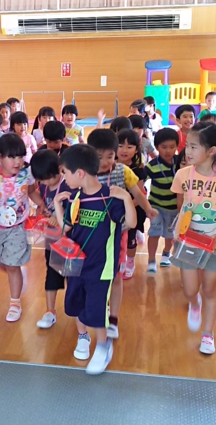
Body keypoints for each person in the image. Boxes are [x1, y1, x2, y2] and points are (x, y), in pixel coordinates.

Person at [53, 144, 135, 375]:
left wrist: (127, 199)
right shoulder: (76, 197)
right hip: (75, 264)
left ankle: (102, 346)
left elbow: (132, 222)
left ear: (79, 173)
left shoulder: (110, 197)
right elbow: (66, 227)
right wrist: (59, 205)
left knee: (97, 309)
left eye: (65, 173)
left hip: (101, 267)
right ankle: (82, 337)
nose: (63, 178)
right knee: (77, 303)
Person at [171, 122, 216, 355]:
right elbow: (180, 206)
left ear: (212, 151)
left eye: (193, 147)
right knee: (191, 290)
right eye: (187, 146)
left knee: (210, 290)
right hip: (188, 243)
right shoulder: (183, 174)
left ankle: (208, 334)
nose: (187, 151)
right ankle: (194, 304)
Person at [88, 129, 157, 340]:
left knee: (116, 276)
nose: (106, 161)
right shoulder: (83, 172)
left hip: (118, 233)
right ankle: (93, 312)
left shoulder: (123, 172)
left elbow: (138, 193)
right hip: (90, 234)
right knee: (93, 277)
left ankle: (114, 319)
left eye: (110, 156)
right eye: (99, 157)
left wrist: (148, 209)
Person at [0, 134, 43, 322]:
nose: (17, 161)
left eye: (20, 156)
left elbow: (32, 192)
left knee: (12, 264)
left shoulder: (27, 173)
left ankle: (15, 302)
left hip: (18, 226)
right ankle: (15, 270)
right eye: (12, 157)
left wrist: (42, 206)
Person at [30, 149, 72, 329]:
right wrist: (44, 208)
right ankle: (50, 311)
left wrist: (60, 217)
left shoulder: (69, 186)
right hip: (52, 240)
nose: (45, 182)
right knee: (51, 274)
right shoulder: (45, 186)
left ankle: (77, 307)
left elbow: (73, 213)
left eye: (48, 177)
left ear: (60, 169)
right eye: (42, 179)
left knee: (73, 277)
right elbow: (35, 194)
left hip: (71, 241)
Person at [143, 128, 180, 274]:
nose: (168, 151)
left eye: (172, 147)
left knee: (170, 235)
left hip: (175, 208)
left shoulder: (180, 163)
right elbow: (140, 184)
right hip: (156, 207)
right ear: (157, 147)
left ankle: (166, 253)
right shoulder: (151, 166)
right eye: (164, 147)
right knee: (154, 232)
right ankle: (151, 260)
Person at [116, 129, 148, 279]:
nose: (124, 150)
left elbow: (139, 195)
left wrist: (127, 207)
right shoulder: (110, 167)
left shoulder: (139, 170)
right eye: (120, 146)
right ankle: (117, 260)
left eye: (129, 147)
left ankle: (130, 262)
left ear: (136, 149)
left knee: (130, 238)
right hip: (114, 211)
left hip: (132, 210)